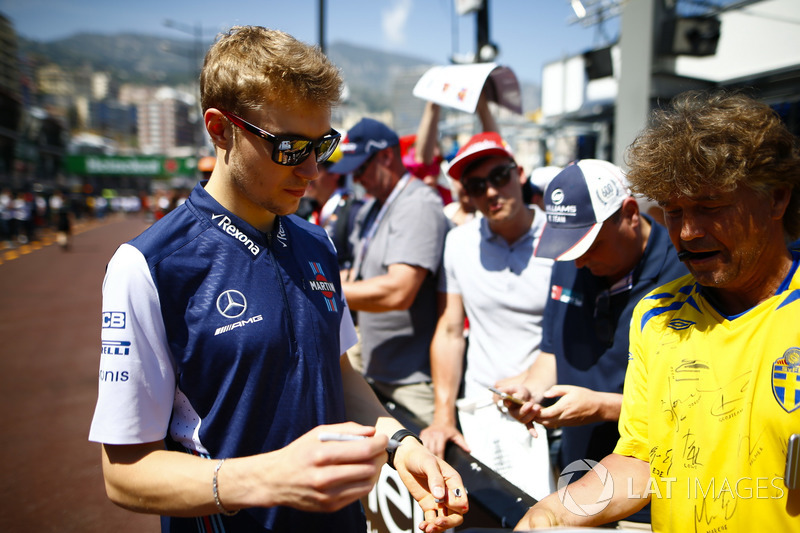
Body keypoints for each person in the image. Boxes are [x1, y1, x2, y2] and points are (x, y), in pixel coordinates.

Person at [88, 26, 468, 533]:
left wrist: (400, 443)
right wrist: (266, 480)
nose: (312, 169)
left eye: (323, 145)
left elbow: (337, 373)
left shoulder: (316, 243)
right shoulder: (150, 266)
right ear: (220, 129)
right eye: (290, 148)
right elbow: (125, 474)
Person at [515, 90, 800, 531]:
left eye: (709, 207)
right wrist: (557, 510)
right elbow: (642, 460)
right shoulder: (657, 315)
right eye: (672, 210)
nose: (687, 231)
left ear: (777, 199)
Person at [497, 159, 687, 524]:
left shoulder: (684, 272)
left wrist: (603, 407)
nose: (579, 261)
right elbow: (552, 351)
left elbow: (697, 403)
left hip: (650, 497)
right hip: (575, 482)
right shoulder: (572, 259)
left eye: (590, 244)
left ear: (630, 213)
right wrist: (531, 391)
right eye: (569, 247)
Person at [420, 131, 556, 500]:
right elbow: (449, 331)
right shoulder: (459, 242)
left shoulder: (561, 238)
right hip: (482, 416)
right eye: (478, 185)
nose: (492, 192)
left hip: (549, 414)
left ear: (520, 173)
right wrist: (443, 417)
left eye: (500, 177)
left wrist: (534, 382)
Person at [333, 118, 450, 426]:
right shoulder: (373, 207)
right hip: (375, 368)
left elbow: (399, 291)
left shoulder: (418, 204)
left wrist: (322, 293)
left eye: (361, 169)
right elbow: (357, 277)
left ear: (386, 157)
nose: (357, 179)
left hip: (411, 381)